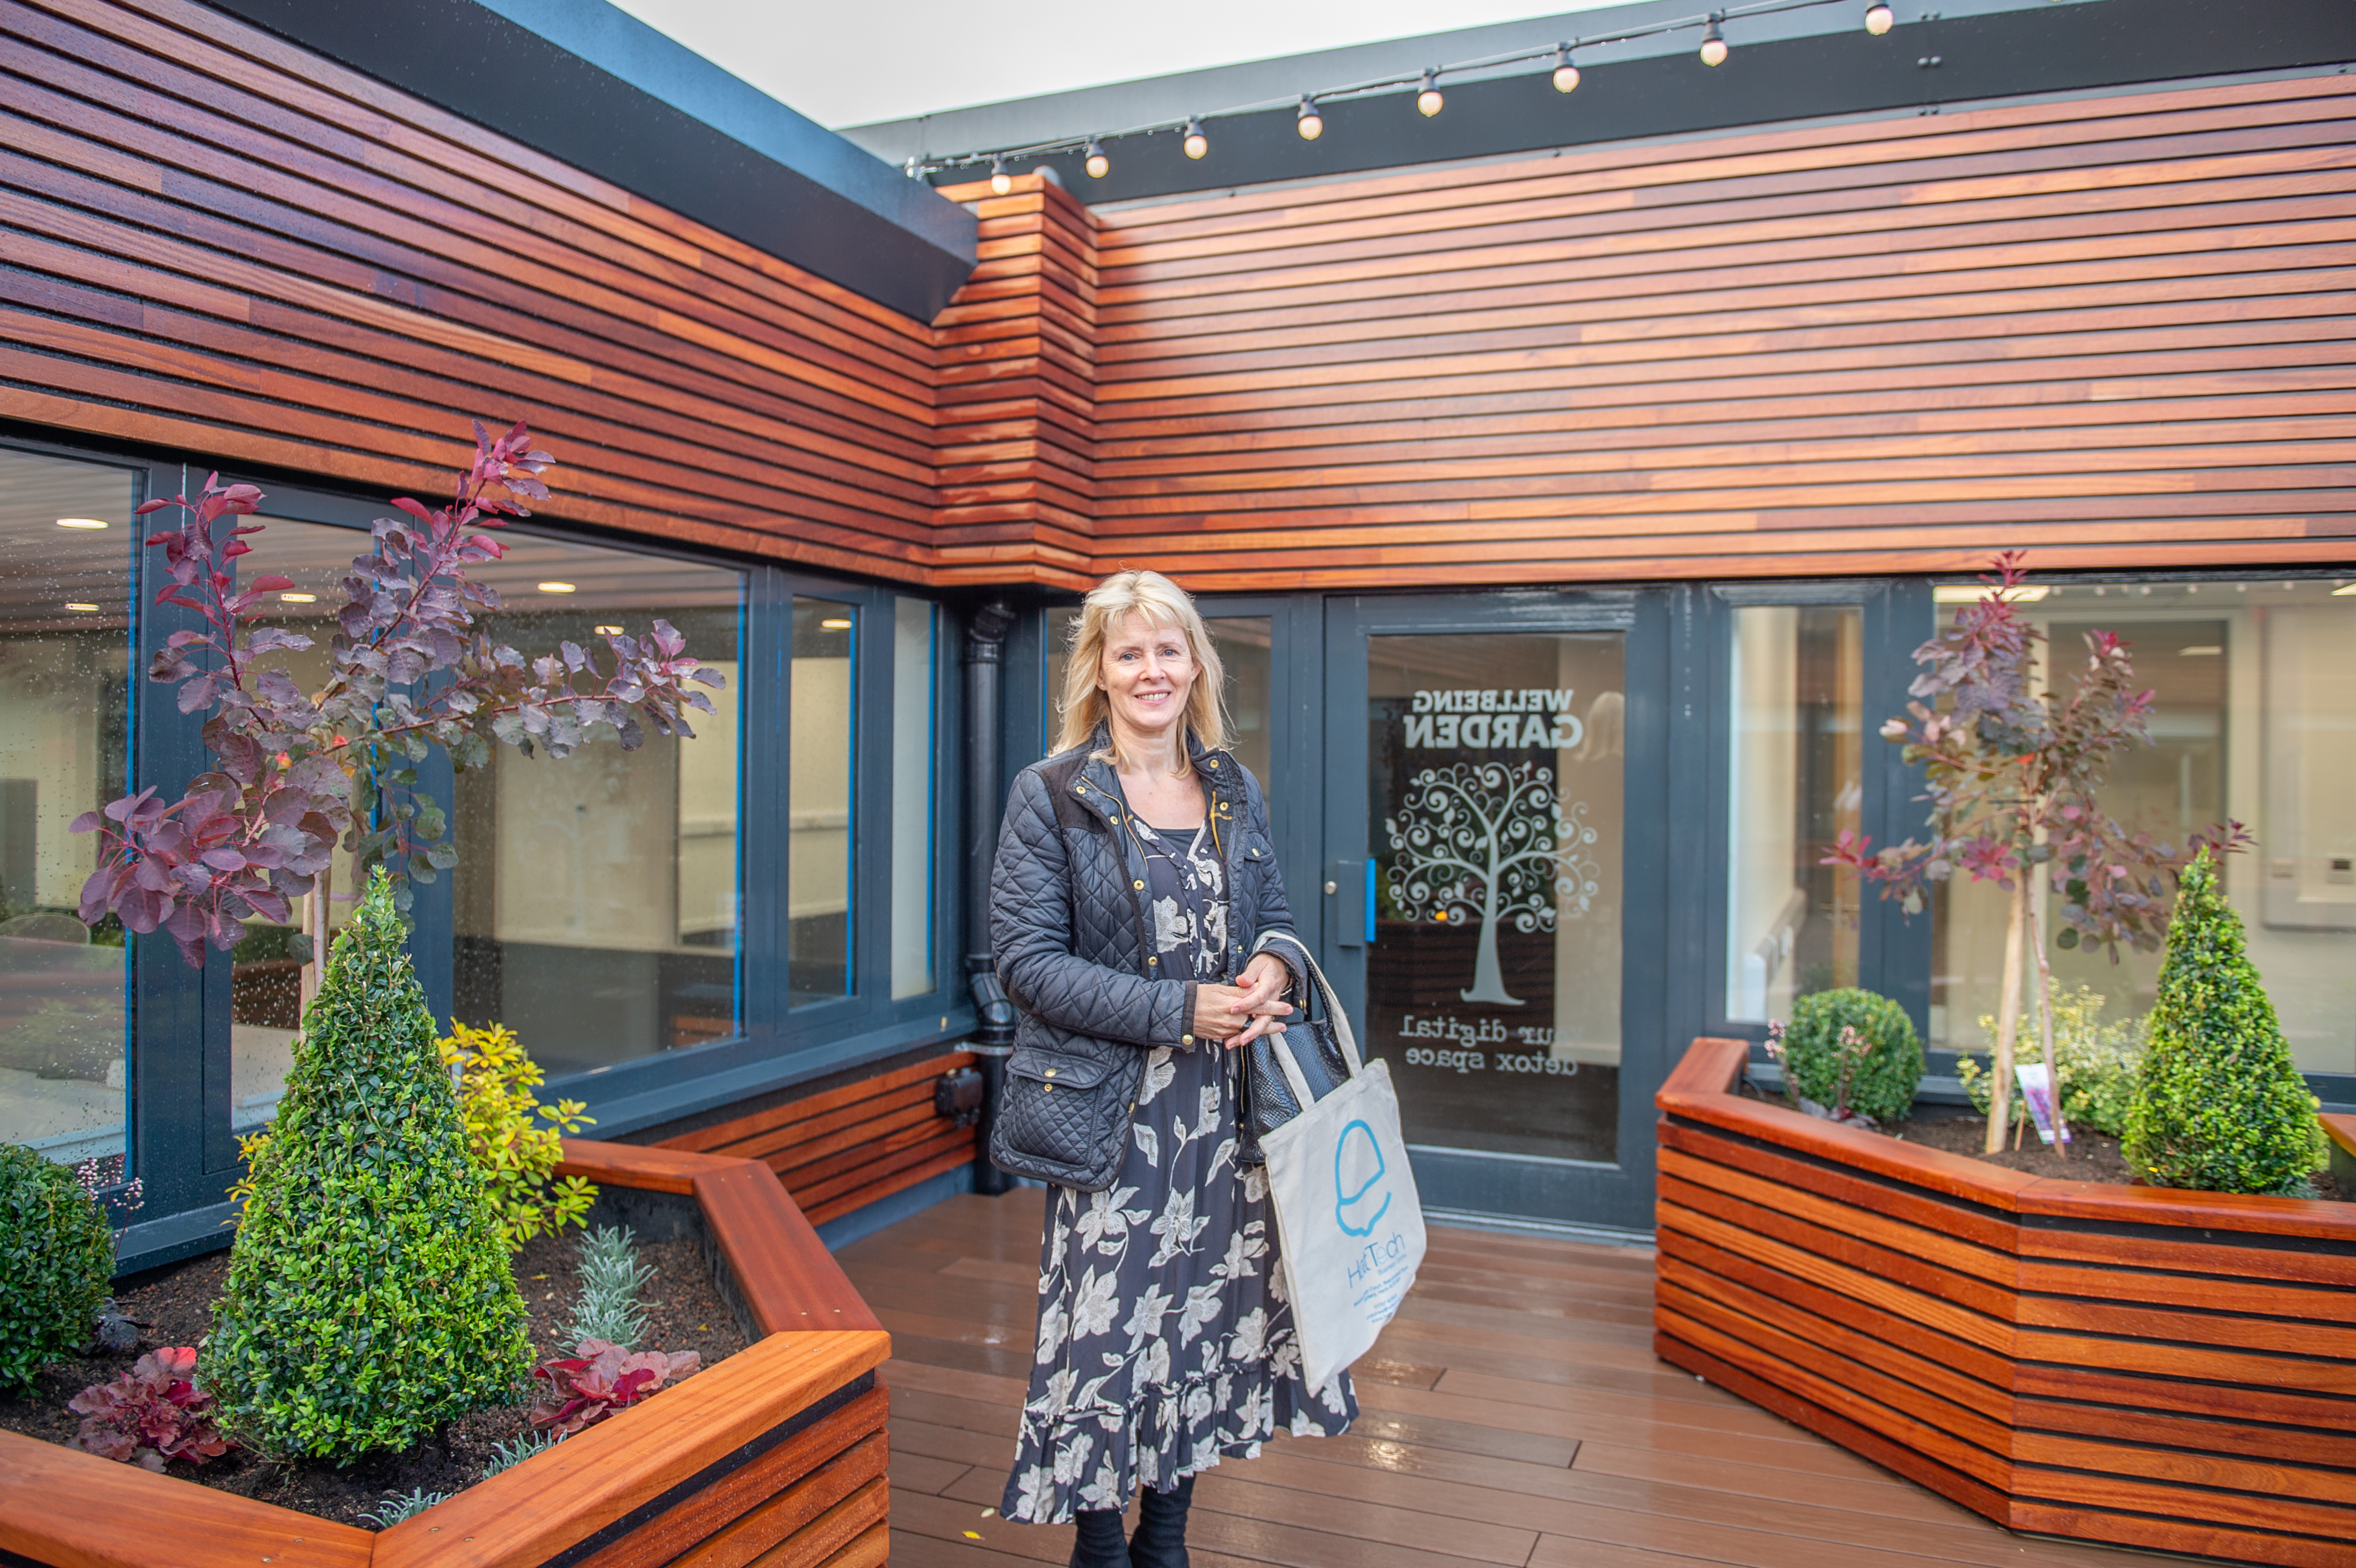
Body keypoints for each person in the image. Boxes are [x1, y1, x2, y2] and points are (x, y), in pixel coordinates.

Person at [991, 570, 1356, 1568]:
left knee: (1198, 1325)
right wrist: (1177, 1006)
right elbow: (1026, 965)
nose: (1150, 669)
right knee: (1105, 1336)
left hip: (1228, 1117)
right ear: (1098, 671)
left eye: (1167, 649)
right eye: (1128, 652)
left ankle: (1167, 1537)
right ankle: (1100, 1544)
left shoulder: (1232, 787)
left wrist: (1274, 958)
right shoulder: (1054, 792)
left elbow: (1273, 909)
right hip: (1116, 1120)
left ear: (1195, 663)